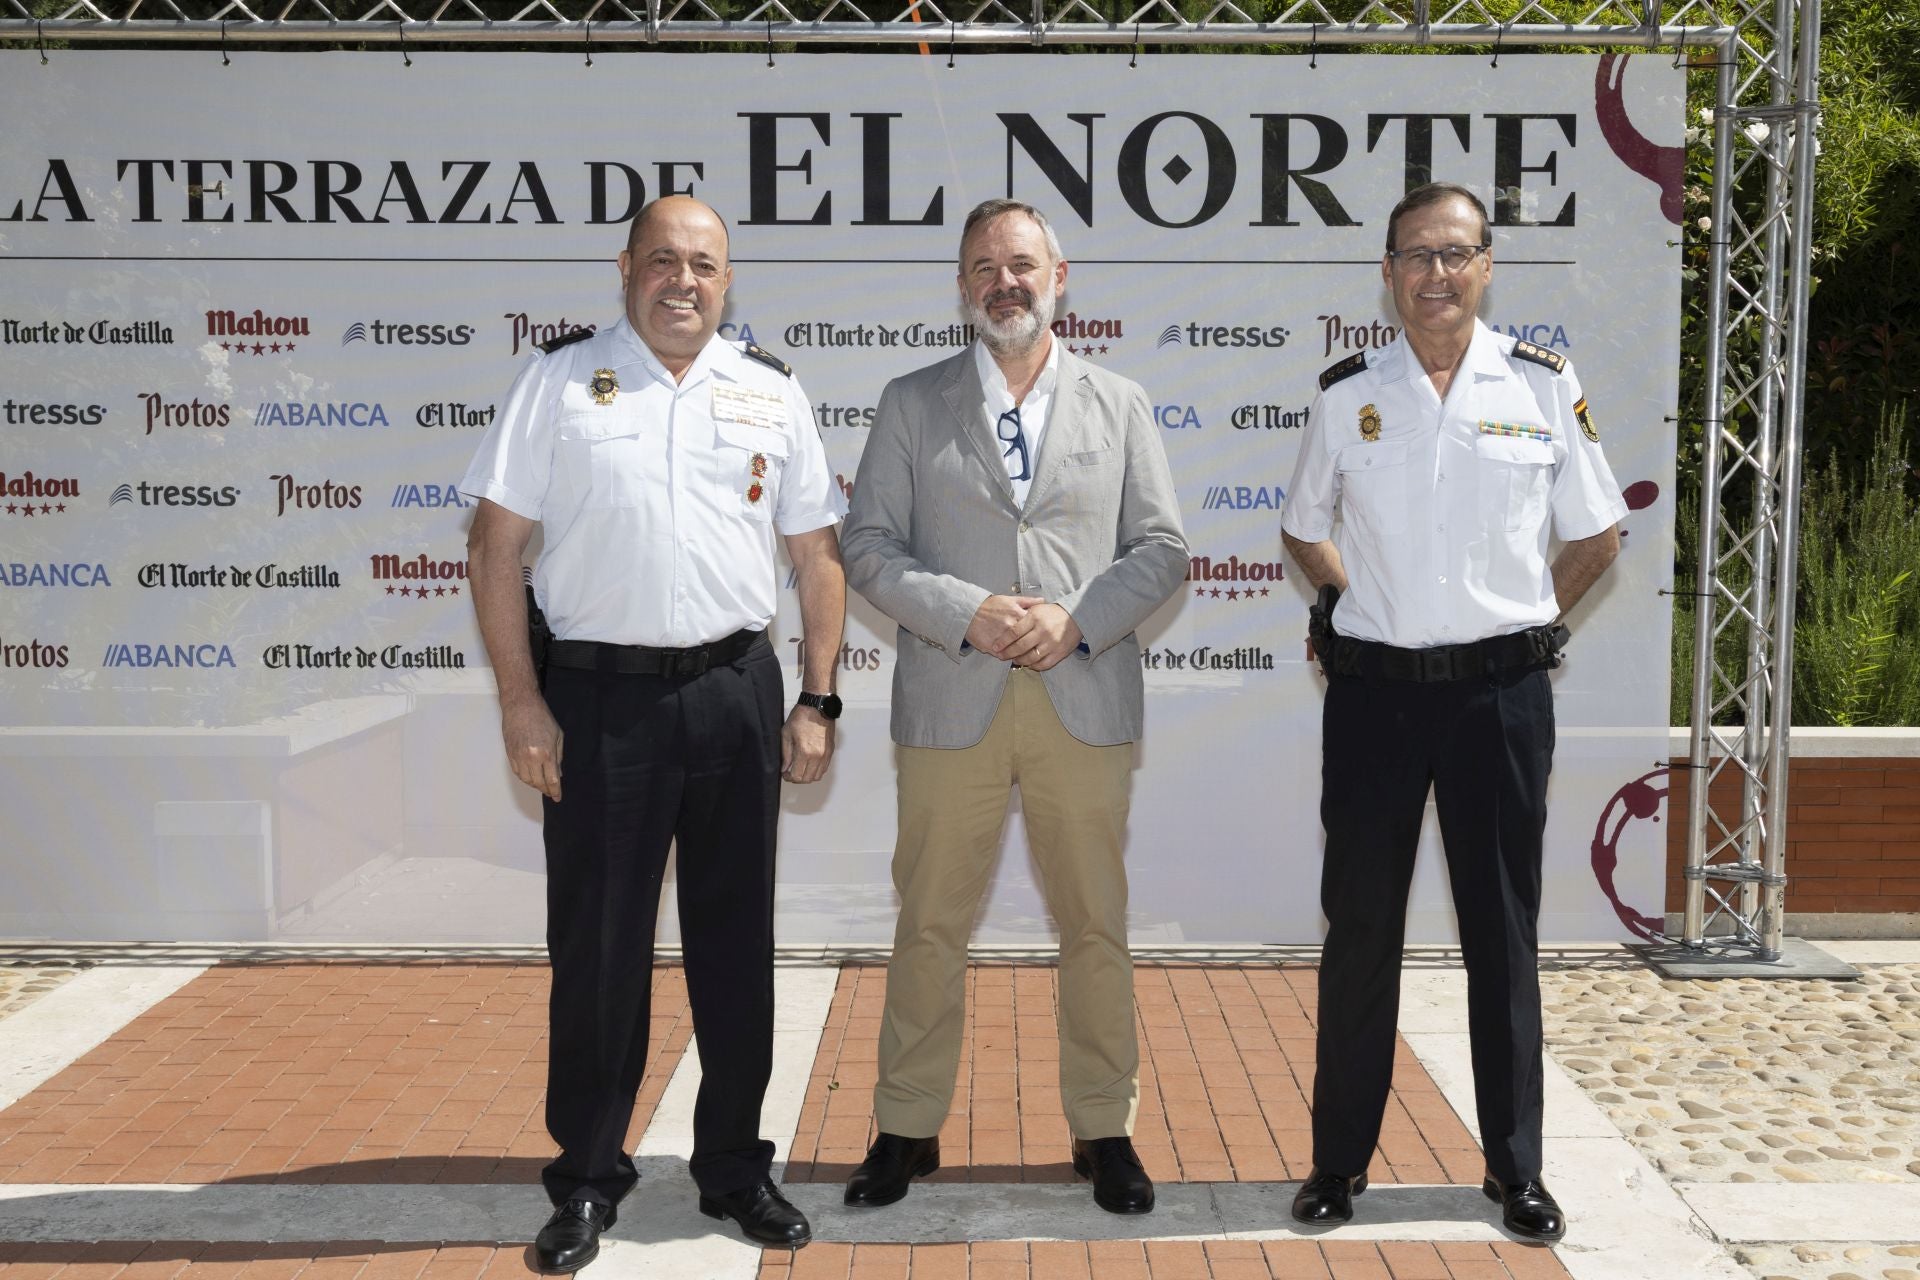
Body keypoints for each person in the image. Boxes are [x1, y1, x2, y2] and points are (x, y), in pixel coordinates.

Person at [460, 195, 848, 1270]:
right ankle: (587, 1177)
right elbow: (494, 550)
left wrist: (816, 696)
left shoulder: (770, 390)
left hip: (734, 691)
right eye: (665, 260)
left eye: (705, 265)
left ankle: (735, 1169)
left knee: (736, 946)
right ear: (625, 266)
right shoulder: (557, 382)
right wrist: (520, 700)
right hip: (599, 702)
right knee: (599, 951)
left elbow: (817, 555)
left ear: (729, 280)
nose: (685, 281)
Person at [1280, 182, 1625, 1243]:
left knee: (1502, 935)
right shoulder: (1346, 393)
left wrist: (1529, 623)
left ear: (1486, 266)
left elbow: (1597, 534)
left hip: (1498, 701)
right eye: (1416, 256)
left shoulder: (1542, 384)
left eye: (1455, 253)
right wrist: (1351, 601)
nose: (1436, 274)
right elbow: (1302, 526)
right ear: (1388, 273)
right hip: (1376, 698)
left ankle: (1516, 1171)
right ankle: (1337, 1164)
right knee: (1360, 933)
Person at [839, 198, 1187, 1218]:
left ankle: (1103, 1126)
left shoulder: (1120, 402)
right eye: (985, 267)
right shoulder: (911, 401)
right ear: (962, 286)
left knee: (1095, 924)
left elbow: (1162, 548)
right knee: (929, 922)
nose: (1006, 282)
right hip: (954, 701)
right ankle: (906, 1125)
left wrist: (1078, 619)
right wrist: (969, 611)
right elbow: (868, 546)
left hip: (1083, 695)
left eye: (1023, 264)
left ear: (1059, 276)